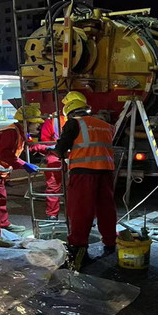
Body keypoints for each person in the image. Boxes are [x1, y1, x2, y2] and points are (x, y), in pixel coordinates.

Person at [0, 104, 51, 247]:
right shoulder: (10, 132)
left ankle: (3, 224)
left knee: (0, 198)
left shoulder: (20, 132)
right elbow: (5, 154)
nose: (39, 126)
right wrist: (24, 165)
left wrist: (47, 149)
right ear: (26, 122)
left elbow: (30, 146)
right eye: (37, 123)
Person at [54, 98, 117, 270]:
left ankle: (78, 248)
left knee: (81, 210)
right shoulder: (104, 124)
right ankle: (110, 242)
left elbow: (61, 148)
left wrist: (57, 153)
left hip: (83, 172)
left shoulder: (74, 123)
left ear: (71, 114)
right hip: (105, 171)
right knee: (106, 208)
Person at [40, 91, 87, 221]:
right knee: (73, 187)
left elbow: (45, 140)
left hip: (60, 156)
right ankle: (73, 215)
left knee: (55, 187)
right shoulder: (86, 121)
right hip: (75, 156)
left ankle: (53, 214)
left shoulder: (53, 121)